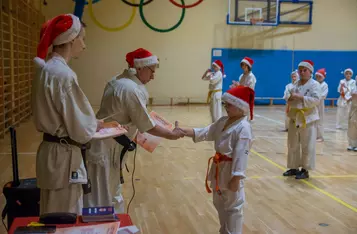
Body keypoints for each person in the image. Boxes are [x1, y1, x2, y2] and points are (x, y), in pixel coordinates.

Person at [83, 48, 185, 212]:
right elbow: (147, 124)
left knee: (110, 193)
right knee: (101, 198)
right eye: (151, 71)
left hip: (109, 147)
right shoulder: (131, 89)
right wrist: (171, 134)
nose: (153, 76)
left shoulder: (118, 81)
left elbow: (132, 119)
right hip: (105, 150)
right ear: (139, 68)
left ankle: (116, 226)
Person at [32, 14, 103, 214]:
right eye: (83, 39)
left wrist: (89, 122)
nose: (84, 45)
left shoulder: (46, 69)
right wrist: (92, 125)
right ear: (71, 39)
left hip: (51, 153)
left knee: (51, 214)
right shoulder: (63, 74)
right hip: (62, 158)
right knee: (65, 218)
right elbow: (80, 129)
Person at [179, 85, 254, 234]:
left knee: (234, 209)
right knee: (220, 205)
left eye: (230, 104)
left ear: (241, 107)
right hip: (219, 168)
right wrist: (183, 130)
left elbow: (241, 155)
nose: (226, 107)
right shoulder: (223, 121)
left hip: (231, 171)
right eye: (225, 104)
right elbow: (205, 132)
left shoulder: (243, 127)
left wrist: (236, 178)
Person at [283, 60, 320, 179]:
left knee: (307, 144)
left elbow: (316, 100)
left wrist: (301, 97)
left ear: (310, 72)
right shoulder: (295, 84)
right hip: (294, 117)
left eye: (305, 70)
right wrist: (290, 97)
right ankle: (293, 167)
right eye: (300, 70)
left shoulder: (314, 84)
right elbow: (287, 97)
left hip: (307, 118)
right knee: (293, 143)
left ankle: (305, 169)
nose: (302, 72)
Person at [315, 68, 328, 142]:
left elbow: (323, 95)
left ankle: (320, 136)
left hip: (319, 103)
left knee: (319, 120)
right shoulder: (314, 83)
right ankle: (313, 135)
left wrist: (316, 98)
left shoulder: (324, 85)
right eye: (317, 76)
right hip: (313, 103)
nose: (318, 78)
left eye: (320, 77)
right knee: (313, 119)